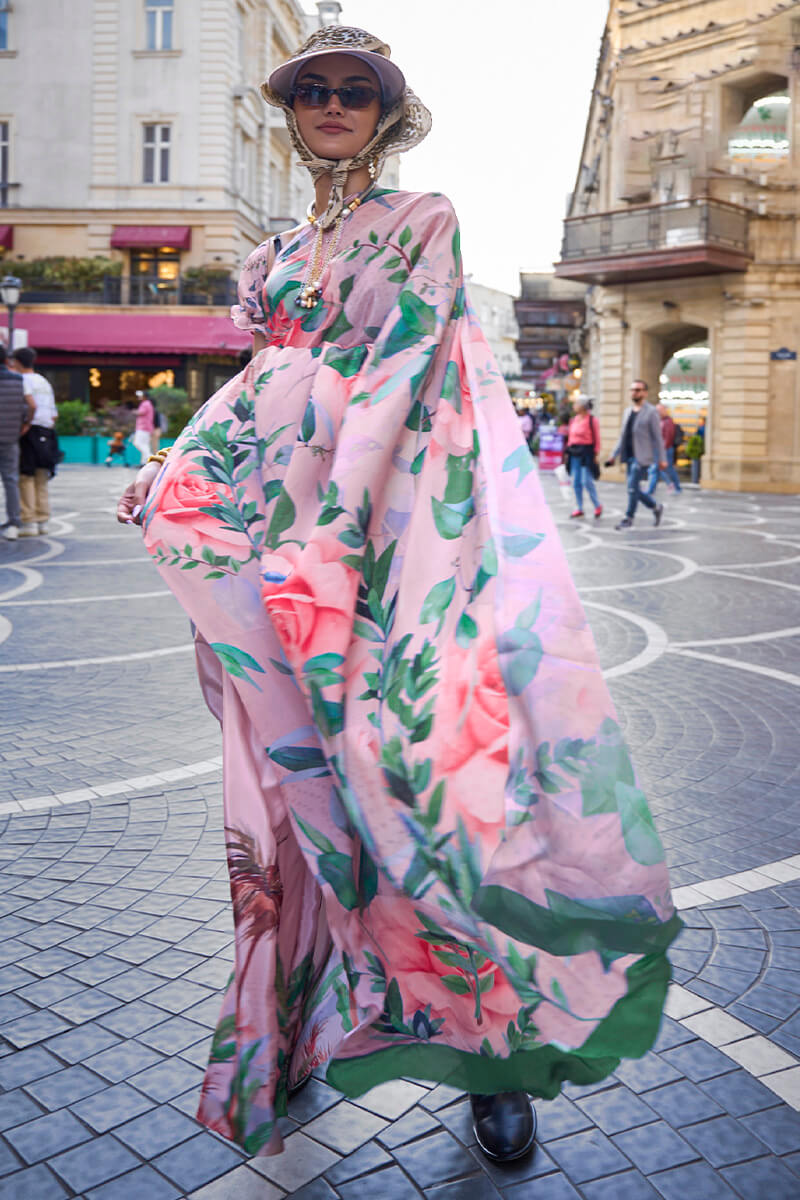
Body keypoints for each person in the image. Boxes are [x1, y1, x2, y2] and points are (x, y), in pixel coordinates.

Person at [117, 25, 679, 1165]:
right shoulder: (273, 255)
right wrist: (175, 472)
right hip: (266, 559)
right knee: (290, 807)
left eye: (353, 90)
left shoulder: (420, 221)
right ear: (291, 109)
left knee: (435, 796)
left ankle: (491, 1062)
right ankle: (288, 1039)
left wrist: (332, 533)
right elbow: (262, 387)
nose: (330, 104)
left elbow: (407, 371)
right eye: (310, 89)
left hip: (392, 554)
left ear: (387, 110)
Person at [9, 347, 59, 535]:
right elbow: (54, 414)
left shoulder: (22, 380)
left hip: (30, 431)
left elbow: (32, 405)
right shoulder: (44, 381)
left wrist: (26, 423)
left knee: (26, 477)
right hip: (47, 431)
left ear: (17, 362)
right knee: (42, 476)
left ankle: (28, 521)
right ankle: (42, 520)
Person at [606, 379, 667, 530]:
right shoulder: (627, 411)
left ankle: (628, 517)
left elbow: (657, 437)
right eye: (633, 389)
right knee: (632, 488)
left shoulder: (651, 412)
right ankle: (655, 507)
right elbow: (623, 436)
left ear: (645, 393)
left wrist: (662, 459)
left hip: (642, 457)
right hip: (628, 455)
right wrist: (614, 455)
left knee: (632, 488)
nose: (635, 392)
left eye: (638, 390)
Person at [0, 344, 33, 541]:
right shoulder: (18, 380)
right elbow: (31, 405)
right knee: (11, 480)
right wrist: (25, 424)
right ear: (7, 360)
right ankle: (13, 524)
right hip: (11, 437)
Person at [566, 396, 602, 518]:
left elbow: (597, 438)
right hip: (574, 452)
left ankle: (597, 505)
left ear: (582, 406)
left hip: (587, 452)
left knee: (586, 480)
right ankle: (579, 507)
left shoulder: (592, 420)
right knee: (576, 481)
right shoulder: (574, 420)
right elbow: (571, 437)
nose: (574, 406)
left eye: (576, 403)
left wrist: (596, 454)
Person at [646, 403, 682, 496]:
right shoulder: (660, 421)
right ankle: (651, 490)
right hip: (660, 450)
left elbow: (668, 438)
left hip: (665, 450)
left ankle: (676, 487)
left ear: (664, 410)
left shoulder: (667, 422)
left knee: (667, 469)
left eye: (659, 410)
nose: (657, 412)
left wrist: (661, 452)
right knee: (655, 470)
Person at [131, 390, 155, 463]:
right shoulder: (148, 404)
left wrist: (134, 411)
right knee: (145, 445)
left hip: (143, 427)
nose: (139, 397)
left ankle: (150, 457)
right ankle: (144, 462)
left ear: (144, 396)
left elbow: (141, 412)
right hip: (147, 427)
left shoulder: (145, 404)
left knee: (137, 443)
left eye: (140, 395)